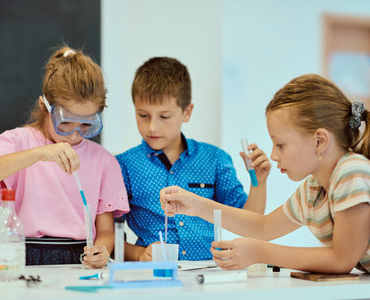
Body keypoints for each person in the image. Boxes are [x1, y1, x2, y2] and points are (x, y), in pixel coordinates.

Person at [161, 74, 370, 275]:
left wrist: (261, 252)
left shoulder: (351, 171)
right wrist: (196, 205)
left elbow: (342, 259)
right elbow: (263, 227)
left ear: (319, 141)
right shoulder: (313, 190)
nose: (274, 155)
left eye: (281, 144)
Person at [0, 46, 130, 268]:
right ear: (44, 106)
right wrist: (39, 153)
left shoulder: (104, 162)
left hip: (80, 260)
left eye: (86, 124)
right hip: (26, 256)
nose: (75, 135)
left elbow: (105, 229)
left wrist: (103, 249)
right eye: (65, 122)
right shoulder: (19, 142)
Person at [116, 57, 270, 261]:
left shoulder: (215, 159)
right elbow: (109, 235)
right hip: (153, 275)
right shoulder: (124, 165)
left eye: (164, 117)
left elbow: (250, 224)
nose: (152, 127)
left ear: (186, 112)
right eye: (143, 115)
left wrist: (258, 182)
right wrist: (138, 254)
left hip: (209, 275)